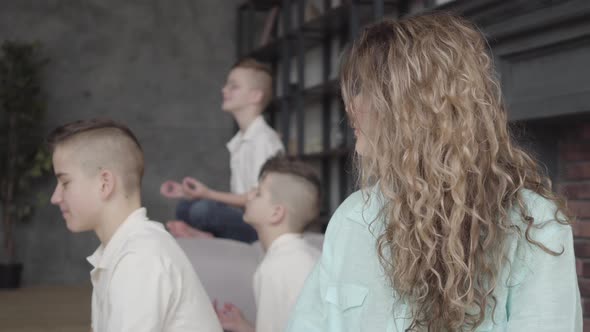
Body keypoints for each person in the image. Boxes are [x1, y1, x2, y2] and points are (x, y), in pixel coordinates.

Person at [287, 13, 582, 331]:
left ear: (412, 109)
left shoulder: (532, 223)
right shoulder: (352, 217)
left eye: (365, 90)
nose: (350, 105)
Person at [48, 119, 223, 332]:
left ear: (105, 184)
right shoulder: (123, 251)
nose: (55, 197)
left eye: (65, 182)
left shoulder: (139, 258)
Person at [162, 58, 284, 243]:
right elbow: (240, 198)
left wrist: (207, 194)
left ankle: (205, 235)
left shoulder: (264, 141)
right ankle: (206, 234)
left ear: (255, 96)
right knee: (185, 207)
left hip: (260, 223)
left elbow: (257, 199)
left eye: (233, 86)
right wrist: (191, 193)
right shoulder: (239, 142)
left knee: (202, 210)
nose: (224, 90)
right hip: (244, 216)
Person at [214, 155, 321, 332]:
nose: (248, 196)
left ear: (276, 213)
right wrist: (244, 327)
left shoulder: (274, 268)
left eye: (258, 193)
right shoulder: (311, 256)